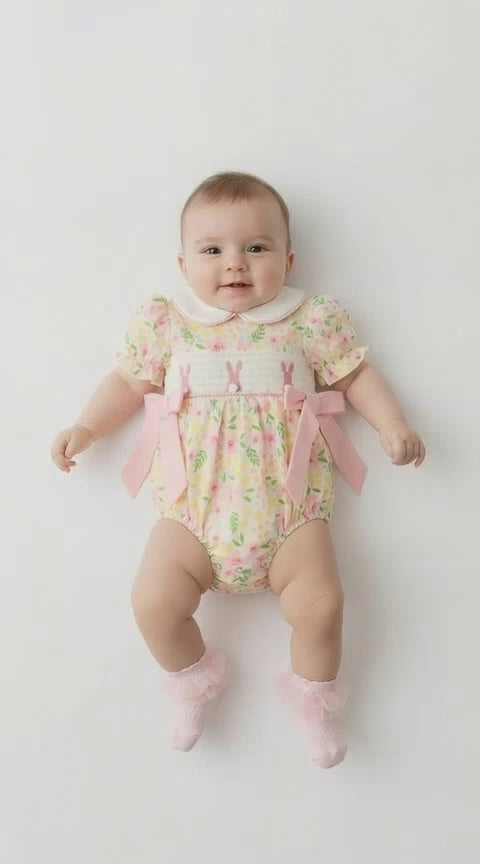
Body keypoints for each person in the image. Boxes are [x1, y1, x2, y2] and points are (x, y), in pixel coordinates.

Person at [51, 171, 426, 768]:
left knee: (323, 607)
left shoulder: (309, 320)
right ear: (182, 263)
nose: (235, 265)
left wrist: (391, 424)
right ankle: (193, 681)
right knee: (152, 601)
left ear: (288, 257)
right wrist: (87, 427)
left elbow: (354, 375)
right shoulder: (167, 323)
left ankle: (315, 710)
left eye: (256, 247)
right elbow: (128, 381)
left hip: (291, 511)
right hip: (191, 511)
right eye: (212, 250)